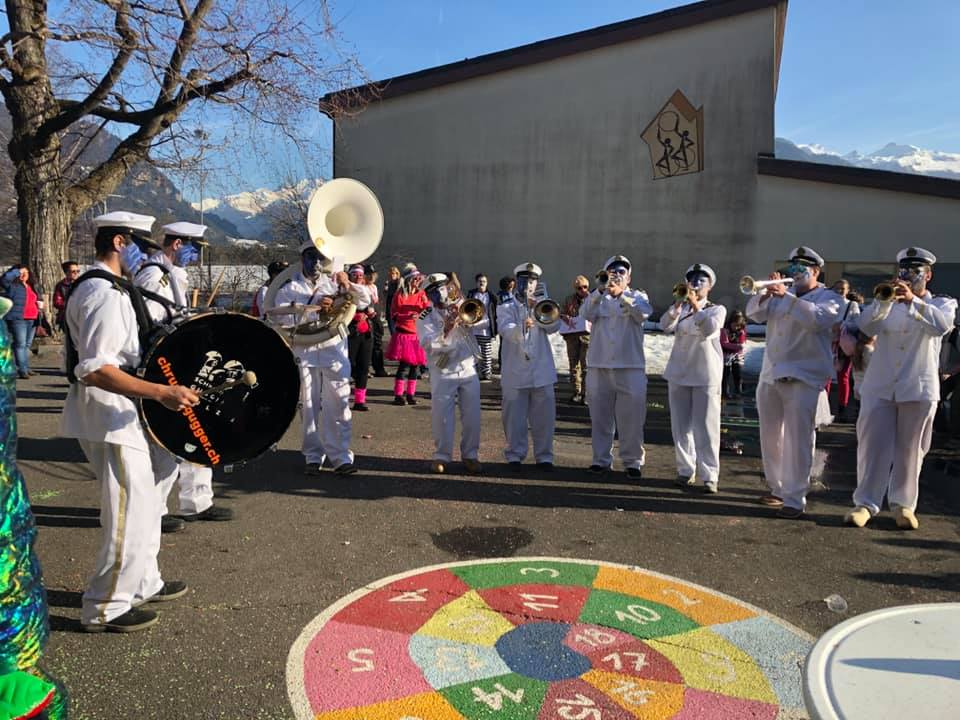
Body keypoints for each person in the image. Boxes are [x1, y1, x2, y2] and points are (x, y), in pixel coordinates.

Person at [59, 211, 197, 632]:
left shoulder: (117, 289)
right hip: (109, 414)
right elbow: (96, 367)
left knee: (147, 501)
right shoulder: (102, 293)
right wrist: (162, 393)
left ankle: (142, 583)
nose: (148, 256)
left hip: (123, 411)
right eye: (142, 245)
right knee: (127, 512)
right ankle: (104, 606)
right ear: (120, 242)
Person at [846, 247, 957, 530]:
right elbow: (865, 326)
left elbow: (942, 327)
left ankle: (904, 505)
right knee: (872, 446)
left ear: (928, 275)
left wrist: (913, 303)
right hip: (880, 384)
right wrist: (885, 303)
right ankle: (865, 504)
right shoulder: (886, 303)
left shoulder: (942, 304)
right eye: (904, 271)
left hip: (918, 386)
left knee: (911, 450)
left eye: (915, 272)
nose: (907, 277)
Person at [135, 221, 234, 528]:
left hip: (184, 363)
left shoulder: (174, 274)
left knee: (197, 430)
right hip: (164, 366)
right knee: (166, 441)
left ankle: (197, 501)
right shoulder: (154, 275)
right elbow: (147, 322)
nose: (196, 257)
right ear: (176, 244)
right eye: (193, 249)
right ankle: (155, 510)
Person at [746, 246, 840, 519]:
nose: (796, 273)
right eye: (793, 268)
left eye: (802, 268)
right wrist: (764, 292)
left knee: (799, 439)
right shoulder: (780, 294)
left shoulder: (829, 297)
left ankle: (795, 498)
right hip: (771, 373)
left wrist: (785, 296)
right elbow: (754, 314)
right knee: (771, 437)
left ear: (816, 271)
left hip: (804, 376)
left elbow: (816, 320)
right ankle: (777, 488)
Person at [274, 243, 367, 475]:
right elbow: (282, 319)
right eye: (310, 257)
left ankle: (341, 457)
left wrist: (348, 283)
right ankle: (313, 457)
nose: (315, 263)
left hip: (333, 349)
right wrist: (314, 308)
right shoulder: (289, 287)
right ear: (301, 258)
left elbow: (364, 300)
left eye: (319, 258)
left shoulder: (334, 280)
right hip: (304, 352)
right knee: (308, 406)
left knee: (340, 403)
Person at [581, 255, 653, 479]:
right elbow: (585, 315)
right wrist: (600, 292)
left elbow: (643, 314)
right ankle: (600, 459)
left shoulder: (638, 296)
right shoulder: (597, 298)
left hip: (629, 366)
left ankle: (633, 461)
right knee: (600, 416)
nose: (617, 275)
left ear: (629, 278)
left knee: (631, 418)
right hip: (599, 365)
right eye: (613, 271)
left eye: (622, 272)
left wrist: (621, 295)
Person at [659, 264, 726, 493]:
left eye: (701, 280)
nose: (696, 284)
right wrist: (678, 306)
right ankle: (685, 470)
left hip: (705, 374)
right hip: (679, 372)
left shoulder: (717, 309)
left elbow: (709, 329)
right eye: (692, 280)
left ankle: (710, 475)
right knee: (681, 427)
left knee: (706, 428)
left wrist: (697, 306)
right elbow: (664, 326)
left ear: (710, 286)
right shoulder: (681, 307)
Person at [417, 273, 483, 474]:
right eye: (434, 292)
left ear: (447, 288)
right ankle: (442, 456)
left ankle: (470, 455)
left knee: (472, 415)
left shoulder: (462, 304)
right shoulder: (425, 317)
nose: (439, 294)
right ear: (429, 296)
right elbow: (428, 345)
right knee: (442, 416)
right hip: (443, 370)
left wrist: (468, 320)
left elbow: (484, 322)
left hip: (467, 367)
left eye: (442, 288)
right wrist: (446, 329)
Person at [497, 262, 560, 469]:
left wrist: (538, 311)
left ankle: (544, 456)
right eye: (524, 281)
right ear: (517, 283)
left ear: (536, 284)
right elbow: (506, 330)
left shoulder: (544, 304)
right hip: (516, 370)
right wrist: (523, 322)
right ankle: (515, 454)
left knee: (544, 418)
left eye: (532, 282)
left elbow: (554, 327)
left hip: (542, 370)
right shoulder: (505, 306)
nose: (528, 285)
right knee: (514, 417)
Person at [387, 263, 429, 405]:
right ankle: (398, 395)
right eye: (416, 279)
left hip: (416, 334)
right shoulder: (400, 294)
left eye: (419, 279)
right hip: (404, 334)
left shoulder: (422, 294)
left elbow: (428, 312)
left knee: (415, 367)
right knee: (404, 367)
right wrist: (406, 316)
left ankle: (410, 394)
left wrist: (422, 311)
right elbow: (393, 314)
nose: (418, 281)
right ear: (409, 280)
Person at [826, 280, 861, 422]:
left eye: (843, 289)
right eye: (837, 288)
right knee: (826, 376)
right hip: (828, 342)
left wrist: (843, 324)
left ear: (848, 290)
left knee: (843, 376)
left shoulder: (852, 305)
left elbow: (857, 323)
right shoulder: (827, 303)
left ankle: (842, 407)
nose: (840, 291)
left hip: (844, 344)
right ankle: (824, 407)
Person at [1, 265, 44, 379]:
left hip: (32, 318)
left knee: (27, 345)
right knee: (20, 344)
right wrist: (17, 271)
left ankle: (25, 367)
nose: (24, 275)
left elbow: (38, 298)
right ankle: (22, 370)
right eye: (21, 273)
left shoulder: (32, 286)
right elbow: (4, 279)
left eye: (26, 272)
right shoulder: (12, 285)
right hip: (18, 318)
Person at [347, 264, 375, 411]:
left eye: (360, 275)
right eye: (355, 275)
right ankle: (341, 397)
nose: (358, 277)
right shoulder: (345, 289)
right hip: (350, 331)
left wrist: (369, 313)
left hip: (365, 332)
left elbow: (369, 306)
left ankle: (359, 401)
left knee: (364, 365)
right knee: (349, 364)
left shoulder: (366, 290)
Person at [560, 275, 591, 404]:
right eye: (579, 288)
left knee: (586, 366)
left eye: (585, 287)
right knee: (574, 365)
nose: (582, 290)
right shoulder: (569, 299)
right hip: (572, 336)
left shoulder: (592, 299)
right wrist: (564, 316)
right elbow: (560, 313)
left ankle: (586, 393)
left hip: (587, 337)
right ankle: (576, 392)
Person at [466, 273, 497, 381]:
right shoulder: (471, 294)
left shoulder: (491, 296)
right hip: (473, 328)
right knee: (474, 353)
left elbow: (494, 312)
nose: (481, 283)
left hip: (486, 327)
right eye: (480, 281)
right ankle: (474, 372)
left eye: (484, 281)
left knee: (486, 353)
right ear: (476, 282)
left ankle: (487, 372)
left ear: (487, 283)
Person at [366, 264, 388, 377]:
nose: (371, 276)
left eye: (373, 274)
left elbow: (377, 302)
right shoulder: (363, 287)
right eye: (368, 274)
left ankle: (379, 368)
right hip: (367, 318)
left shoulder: (374, 287)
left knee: (378, 344)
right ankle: (366, 370)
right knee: (367, 345)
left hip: (376, 317)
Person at [720, 311, 747, 399]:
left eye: (738, 326)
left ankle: (738, 391)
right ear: (730, 323)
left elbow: (742, 343)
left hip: (737, 355)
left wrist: (739, 347)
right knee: (726, 374)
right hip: (726, 355)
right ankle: (725, 391)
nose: (736, 327)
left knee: (737, 373)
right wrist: (737, 346)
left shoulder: (741, 332)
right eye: (735, 325)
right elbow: (724, 343)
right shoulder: (724, 331)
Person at [52, 260, 80, 332]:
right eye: (73, 271)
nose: (76, 273)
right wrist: (71, 304)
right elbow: (57, 302)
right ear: (67, 272)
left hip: (81, 316)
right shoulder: (61, 285)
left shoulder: (83, 284)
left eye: (78, 271)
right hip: (66, 317)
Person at [383, 266, 401, 336]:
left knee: (398, 330)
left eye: (393, 274)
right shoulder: (389, 283)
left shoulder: (399, 283)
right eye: (390, 274)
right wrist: (386, 288)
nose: (391, 275)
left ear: (397, 274)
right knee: (392, 329)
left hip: (397, 307)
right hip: (389, 305)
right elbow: (385, 295)